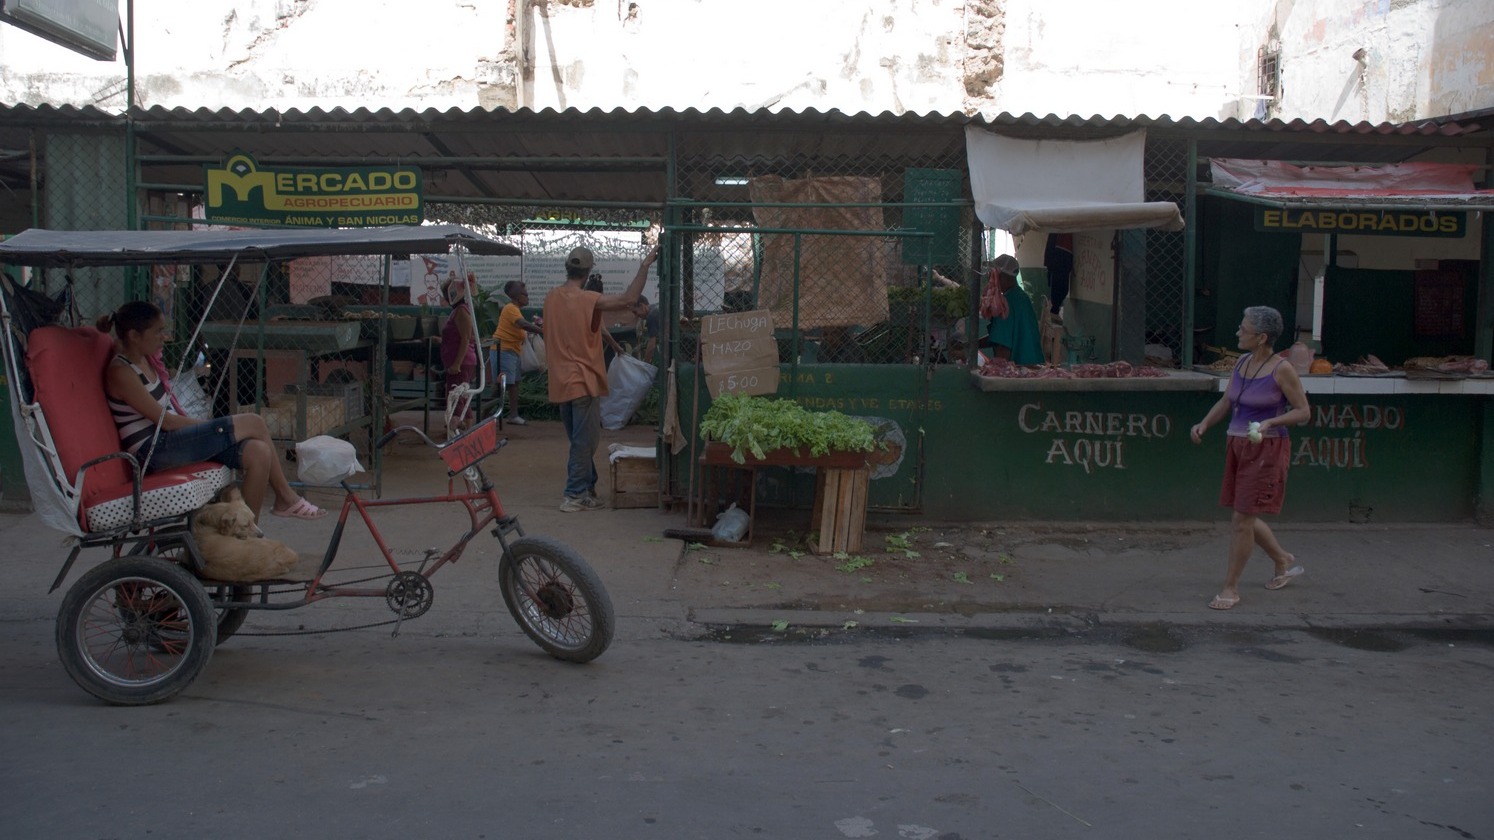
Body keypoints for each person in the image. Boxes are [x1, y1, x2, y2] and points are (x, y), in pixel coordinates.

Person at [99, 301, 326, 523]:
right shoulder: (122, 372)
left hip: (169, 442)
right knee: (254, 422)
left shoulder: (143, 358)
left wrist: (209, 428)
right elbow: (165, 422)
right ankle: (285, 497)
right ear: (134, 336)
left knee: (259, 452)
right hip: (153, 452)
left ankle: (244, 536)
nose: (163, 337)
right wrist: (207, 427)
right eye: (158, 332)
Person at [1189, 305, 1311, 611]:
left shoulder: (1282, 369)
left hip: (1266, 450)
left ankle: (1230, 588)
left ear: (1262, 337)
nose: (1238, 333)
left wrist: (1272, 422)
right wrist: (1205, 423)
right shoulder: (1242, 363)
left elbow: (1303, 412)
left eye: (1244, 329)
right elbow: (1227, 400)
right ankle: (1282, 559)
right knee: (1245, 513)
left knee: (1242, 519)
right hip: (1237, 445)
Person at [543, 243, 660, 512]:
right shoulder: (589, 300)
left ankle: (587, 488)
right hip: (582, 381)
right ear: (587, 273)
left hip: (560, 380)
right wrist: (644, 265)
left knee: (578, 440)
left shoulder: (551, 297)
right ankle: (573, 495)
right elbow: (631, 299)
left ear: (568, 269)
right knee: (585, 441)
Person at [491, 280, 543, 425]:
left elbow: (521, 328)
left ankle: (512, 415)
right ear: (517, 296)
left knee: (514, 384)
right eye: (525, 294)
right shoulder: (511, 308)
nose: (527, 297)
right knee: (503, 385)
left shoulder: (514, 309)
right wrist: (544, 331)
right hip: (504, 350)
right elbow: (523, 324)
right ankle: (486, 414)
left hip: (511, 351)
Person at [982, 254, 1044, 365]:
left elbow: (1003, 347)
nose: (990, 279)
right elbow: (1000, 335)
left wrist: (998, 372)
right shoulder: (1022, 298)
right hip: (1036, 364)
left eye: (994, 275)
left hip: (1019, 369)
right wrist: (972, 344)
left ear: (1004, 276)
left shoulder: (1004, 304)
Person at [440, 272, 480, 435]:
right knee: (462, 400)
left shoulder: (462, 311)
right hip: (459, 362)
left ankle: (459, 431)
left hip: (461, 364)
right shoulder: (459, 310)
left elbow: (466, 337)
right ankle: (466, 435)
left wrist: (456, 363)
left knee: (457, 400)